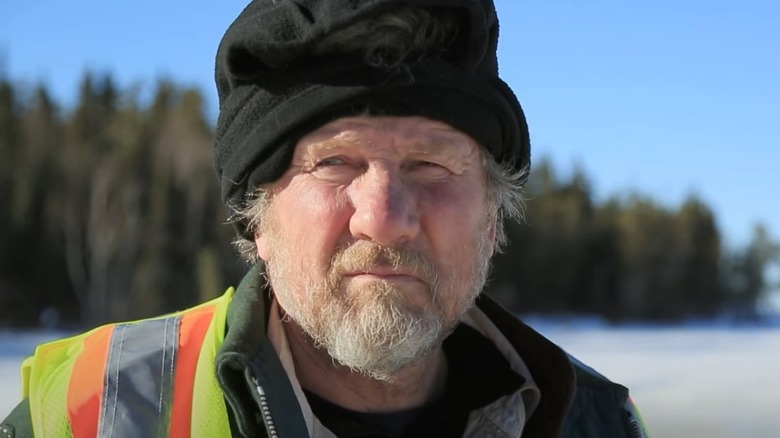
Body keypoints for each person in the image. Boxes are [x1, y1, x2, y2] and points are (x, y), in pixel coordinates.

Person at [2, 0, 649, 437]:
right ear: (257, 218)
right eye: (334, 163)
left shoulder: (598, 422)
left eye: (431, 166)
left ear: (492, 219)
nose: (385, 219)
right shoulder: (92, 412)